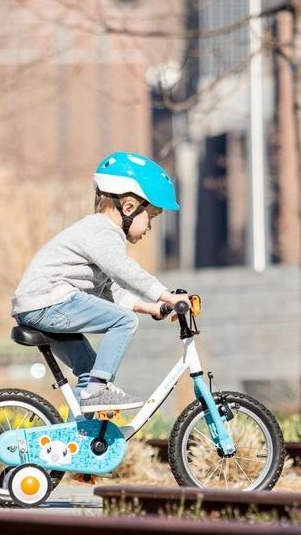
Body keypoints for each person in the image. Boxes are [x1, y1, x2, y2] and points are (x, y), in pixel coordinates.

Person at [11, 151, 191, 412]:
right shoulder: (102, 231)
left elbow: (111, 290)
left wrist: (151, 307)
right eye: (150, 218)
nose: (150, 227)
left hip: (41, 305)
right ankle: (96, 393)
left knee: (90, 371)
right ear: (129, 208)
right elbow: (125, 271)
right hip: (49, 302)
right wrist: (166, 296)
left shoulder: (100, 235)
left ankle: (75, 442)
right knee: (124, 322)